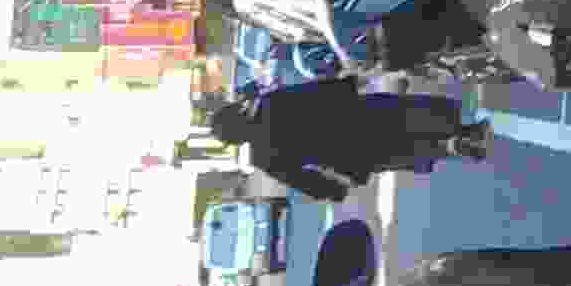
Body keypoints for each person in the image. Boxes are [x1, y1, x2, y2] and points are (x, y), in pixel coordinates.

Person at [209, 75, 494, 202]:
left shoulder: (262, 157)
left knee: (405, 150)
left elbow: (302, 180)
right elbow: (315, 92)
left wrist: (335, 191)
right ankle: (465, 133)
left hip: (348, 156)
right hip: (354, 114)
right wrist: (351, 83)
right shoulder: (269, 103)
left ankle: (454, 147)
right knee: (411, 118)